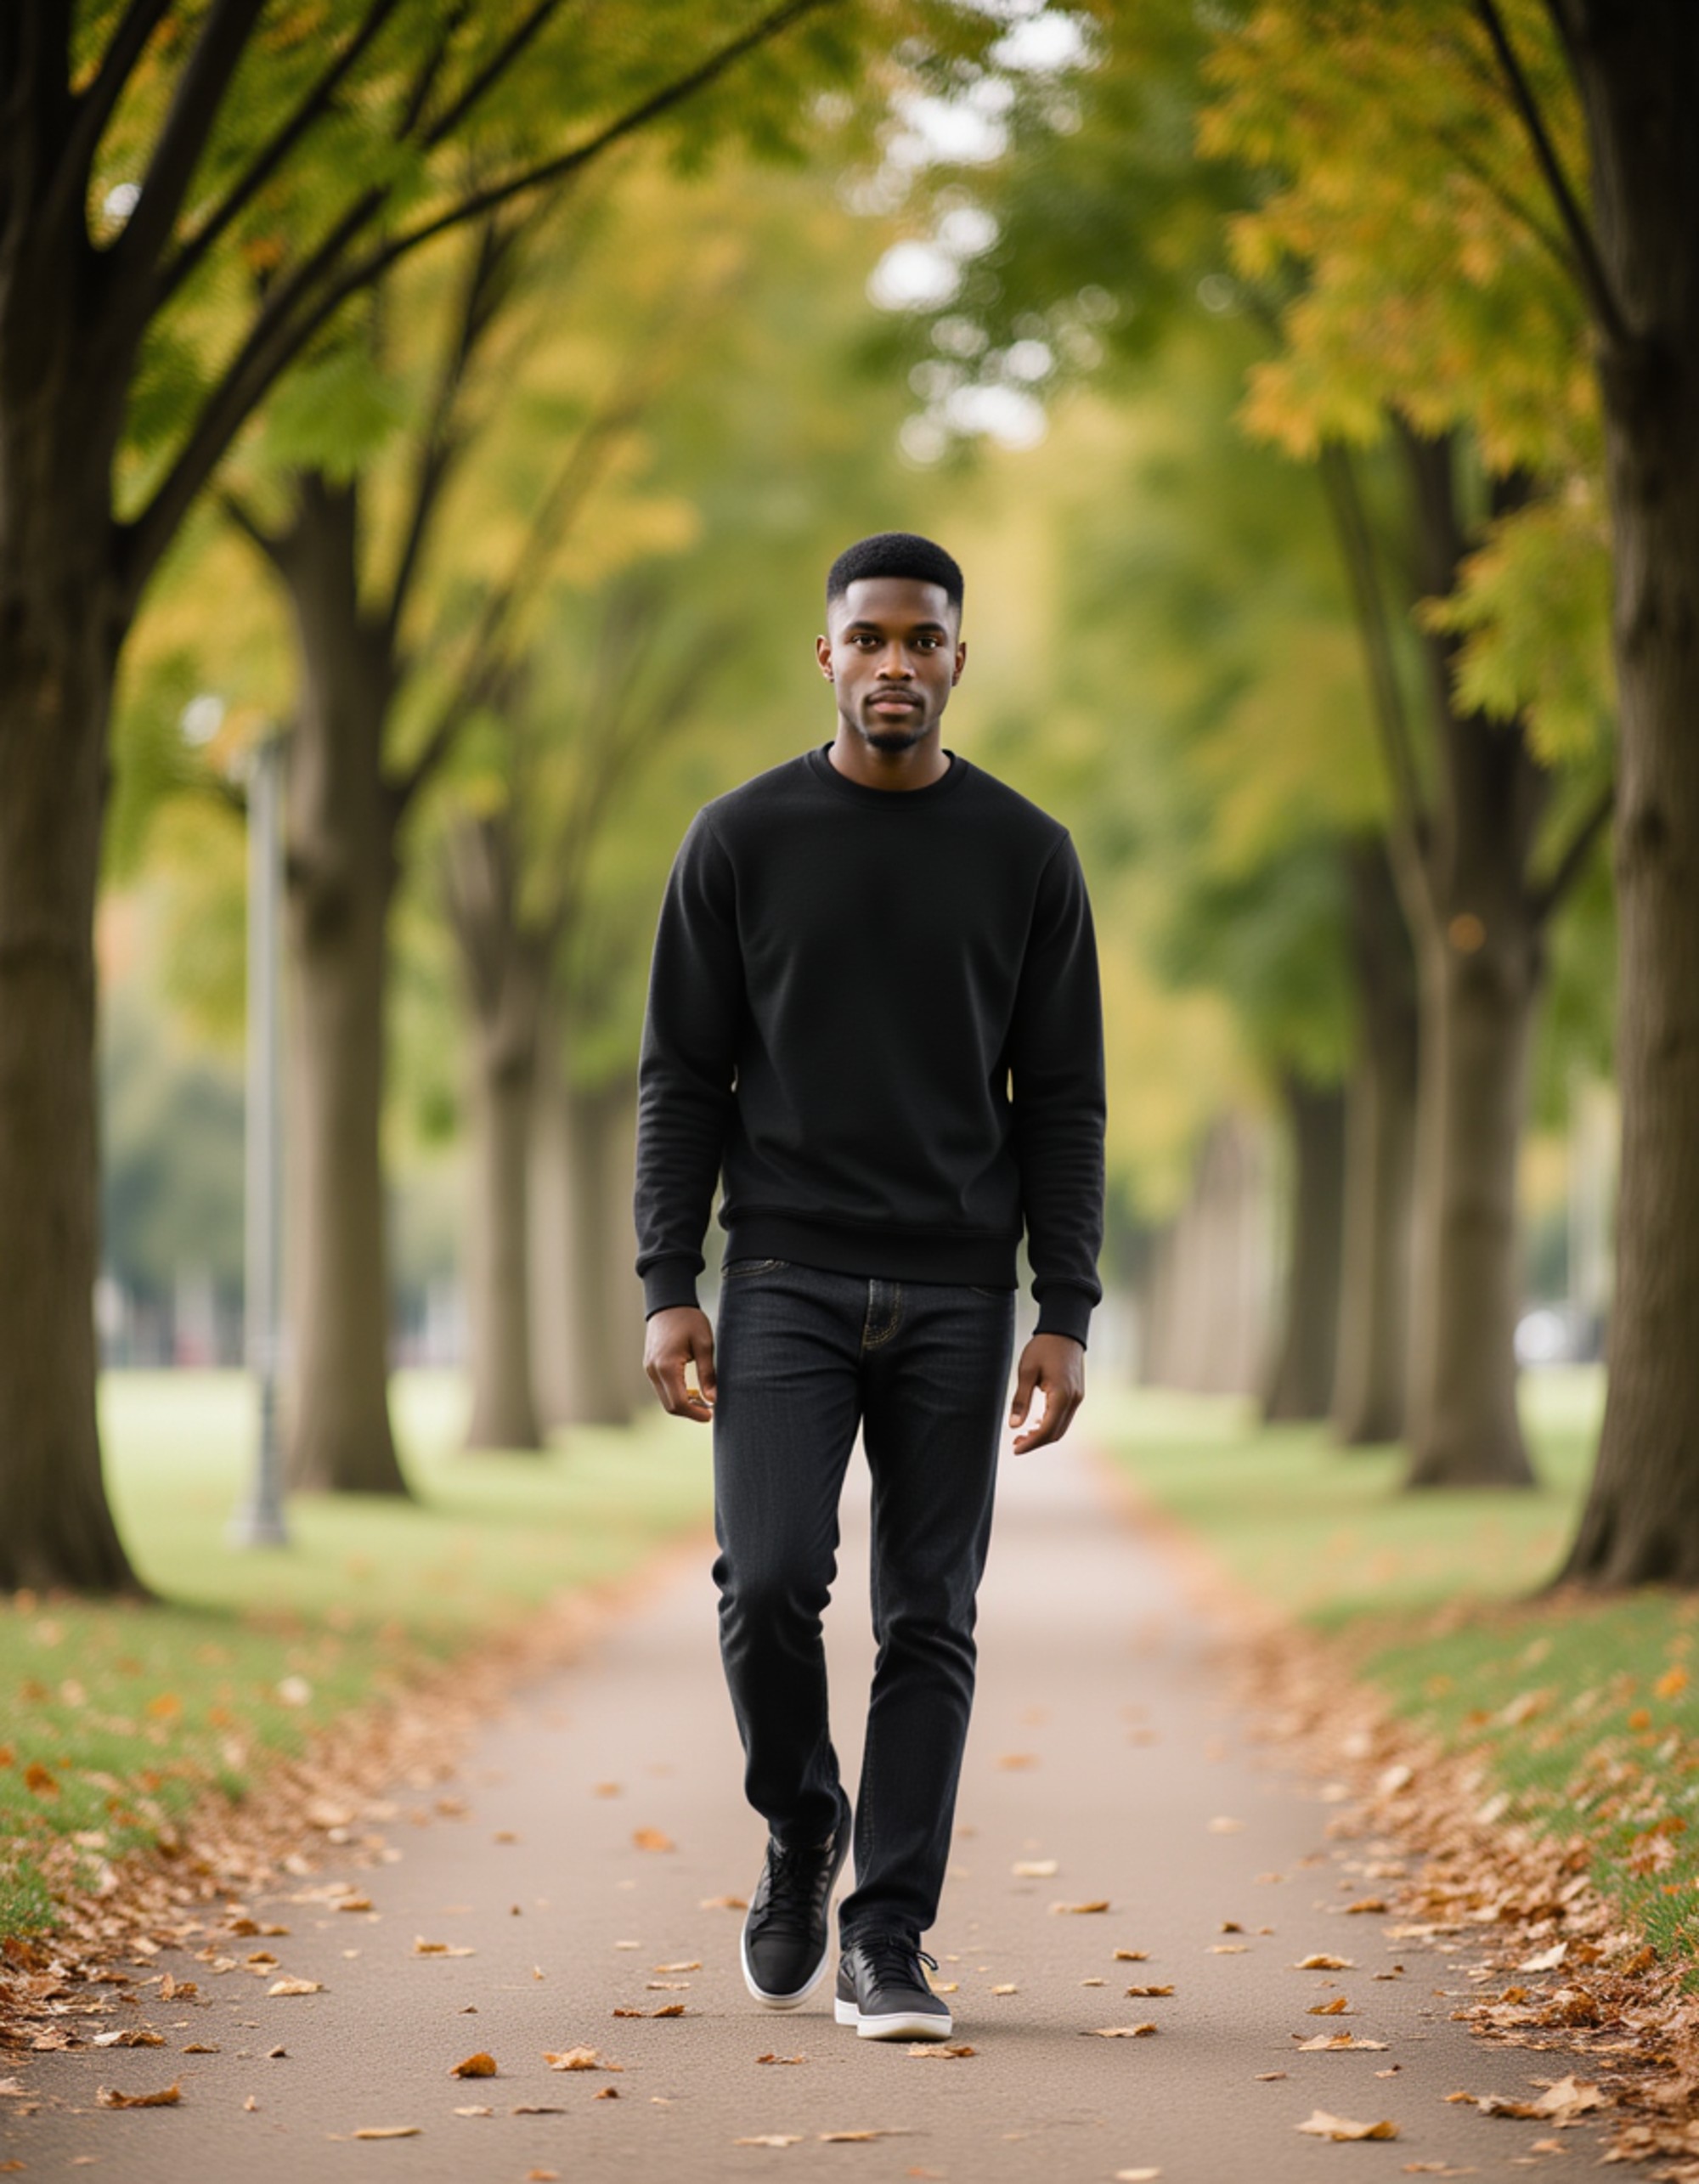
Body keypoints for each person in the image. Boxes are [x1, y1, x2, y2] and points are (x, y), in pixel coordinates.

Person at [633, 531, 1105, 2041]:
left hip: (961, 1289)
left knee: (931, 1616)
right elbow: (680, 1076)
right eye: (870, 638)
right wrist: (667, 1277)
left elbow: (1065, 1098)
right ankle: (800, 1818)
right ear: (826, 655)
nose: (896, 663)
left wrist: (1065, 1307)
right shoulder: (738, 840)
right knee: (769, 1580)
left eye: (923, 639)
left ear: (960, 659)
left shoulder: (1028, 854)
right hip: (784, 1273)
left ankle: (887, 1935)